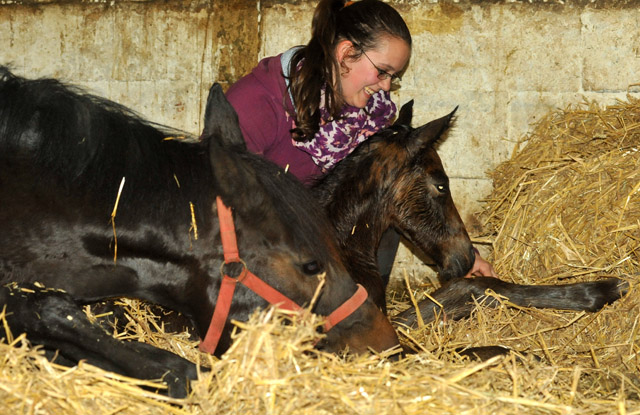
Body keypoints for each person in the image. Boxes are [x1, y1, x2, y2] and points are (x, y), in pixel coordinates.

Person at [225, 0, 495, 281]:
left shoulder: (366, 116)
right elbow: (220, 211)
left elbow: (406, 194)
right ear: (346, 53)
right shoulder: (255, 104)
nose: (387, 86)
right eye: (382, 71)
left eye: (394, 77)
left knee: (384, 190)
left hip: (320, 260)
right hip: (256, 261)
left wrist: (464, 257)